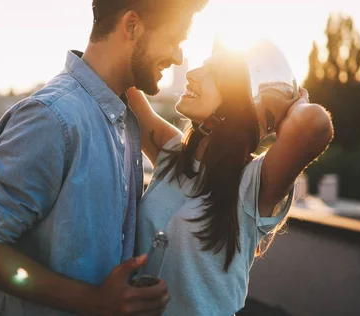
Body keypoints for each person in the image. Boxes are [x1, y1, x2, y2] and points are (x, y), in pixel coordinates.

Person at [0, 0, 209, 315]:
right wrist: (95, 302)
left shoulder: (124, 120)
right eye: (174, 39)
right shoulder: (52, 118)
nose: (178, 55)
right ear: (131, 26)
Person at [127, 46, 334, 315]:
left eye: (212, 72)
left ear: (238, 102)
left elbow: (314, 125)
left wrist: (290, 105)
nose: (192, 74)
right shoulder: (173, 154)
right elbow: (124, 85)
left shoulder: (253, 185)